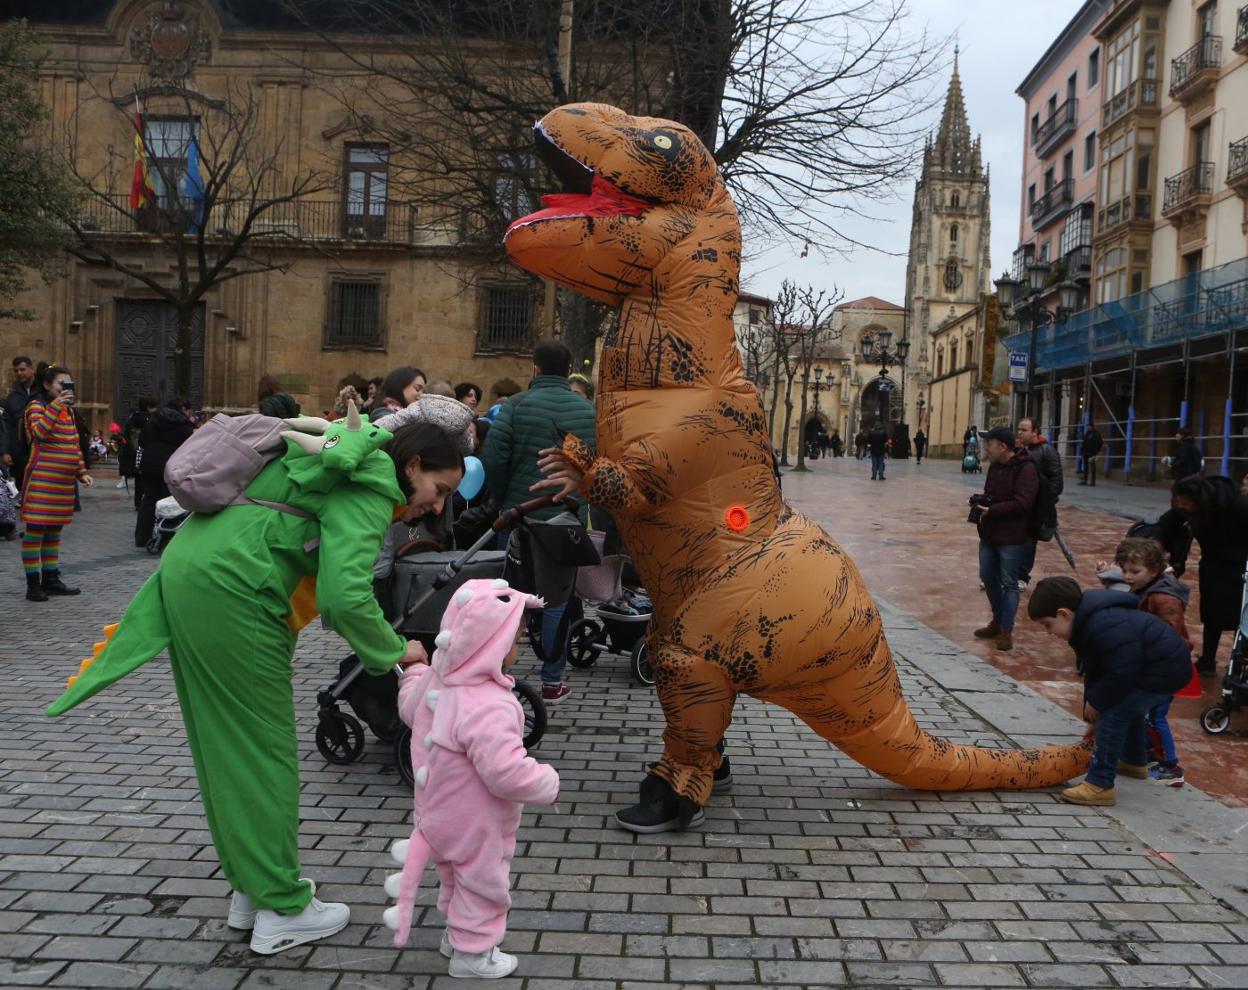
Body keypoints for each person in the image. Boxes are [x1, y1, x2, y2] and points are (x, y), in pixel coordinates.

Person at [48, 410, 460, 954]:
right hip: (237, 593)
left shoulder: (343, 462)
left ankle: (253, 888)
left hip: (193, 576)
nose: (437, 505)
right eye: (439, 488)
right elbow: (345, 598)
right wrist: (395, 649)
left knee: (227, 747)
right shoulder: (369, 484)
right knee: (264, 752)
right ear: (412, 465)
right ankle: (282, 908)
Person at [385, 579, 560, 978]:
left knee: (453, 877)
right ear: (490, 646)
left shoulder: (438, 682)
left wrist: (413, 674)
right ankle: (473, 954)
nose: (516, 647)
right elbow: (504, 772)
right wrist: (546, 781)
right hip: (476, 823)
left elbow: (411, 709)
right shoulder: (490, 705)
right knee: (482, 885)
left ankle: (455, 937)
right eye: (513, 639)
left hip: (435, 816)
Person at [480, 340, 596, 704]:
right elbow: (593, 467)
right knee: (558, 599)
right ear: (569, 369)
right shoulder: (588, 411)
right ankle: (552, 680)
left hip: (518, 517)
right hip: (565, 518)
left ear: (534, 369)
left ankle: (496, 673)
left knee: (509, 596)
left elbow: (494, 459)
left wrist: (503, 499)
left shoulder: (514, 407)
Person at [1027, 576, 1194, 806]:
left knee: (1114, 714)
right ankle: (1134, 761)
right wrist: (1091, 707)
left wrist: (1099, 706)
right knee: (1127, 708)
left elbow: (1121, 673)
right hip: (1153, 668)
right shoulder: (1086, 625)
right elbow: (1096, 670)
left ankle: (1099, 784)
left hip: (1164, 670)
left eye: (1047, 624)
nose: (1048, 632)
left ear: (1064, 614)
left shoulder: (1101, 625)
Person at [1095, 537, 1196, 786]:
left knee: (1155, 716)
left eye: (1134, 572)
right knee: (1140, 713)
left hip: (1163, 670)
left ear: (1152, 571)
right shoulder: (1143, 588)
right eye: (1125, 570)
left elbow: (1171, 639)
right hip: (1149, 666)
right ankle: (1138, 758)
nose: (1128, 577)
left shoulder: (1164, 599)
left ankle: (1171, 765)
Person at [19, 365, 93, 601]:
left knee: (53, 531)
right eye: (62, 384)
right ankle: (33, 585)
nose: (66, 388)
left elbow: (72, 444)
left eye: (69, 384)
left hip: (62, 484)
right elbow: (39, 433)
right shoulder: (37, 406)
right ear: (46, 385)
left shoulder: (68, 412)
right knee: (35, 531)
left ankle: (50, 579)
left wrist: (81, 472)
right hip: (42, 479)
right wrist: (56, 406)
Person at [1162, 473, 1248, 675]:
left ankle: (1237, 665)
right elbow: (1166, 523)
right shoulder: (1189, 508)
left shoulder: (1239, 506)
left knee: (1242, 616)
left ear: (1198, 499)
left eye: (1185, 503)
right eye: (1179, 502)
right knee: (1211, 614)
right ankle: (1208, 660)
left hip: (1241, 566)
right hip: (1212, 564)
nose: (1182, 507)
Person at [972, 426, 1038, 652]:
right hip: (990, 532)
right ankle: (998, 620)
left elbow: (1023, 503)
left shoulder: (1026, 468)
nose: (986, 449)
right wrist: (981, 503)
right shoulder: (995, 467)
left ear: (1003, 446)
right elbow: (993, 494)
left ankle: (1006, 630)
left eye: (989, 444)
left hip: (1012, 535)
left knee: (1009, 583)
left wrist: (993, 510)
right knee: (987, 576)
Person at [134, 400, 195, 549]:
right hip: (170, 465)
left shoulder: (153, 420)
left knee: (148, 500)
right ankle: (166, 535)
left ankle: (142, 537)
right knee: (168, 501)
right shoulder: (184, 424)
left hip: (149, 464)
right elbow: (189, 446)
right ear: (182, 408)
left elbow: (141, 441)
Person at [1016, 417, 1064, 587]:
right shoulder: (1019, 450)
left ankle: (1022, 576)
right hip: (1020, 503)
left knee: (1029, 541)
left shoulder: (1047, 451)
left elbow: (1056, 480)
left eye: (1024, 430)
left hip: (1037, 507)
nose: (1020, 433)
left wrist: (1045, 500)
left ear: (1035, 432)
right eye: (1019, 429)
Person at [3, 356, 38, 490]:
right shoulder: (13, 395)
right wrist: (5, 451)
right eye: (16, 371)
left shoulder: (42, 391)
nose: (19, 373)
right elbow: (6, 425)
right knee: (22, 487)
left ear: (32, 369)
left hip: (39, 446)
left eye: (22, 369)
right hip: (19, 449)